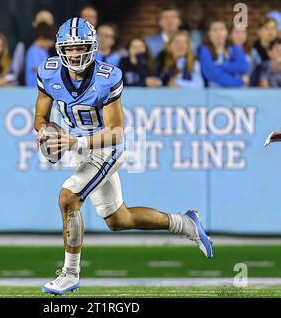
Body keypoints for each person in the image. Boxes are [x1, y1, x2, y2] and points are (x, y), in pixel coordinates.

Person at [34, 17, 214, 296]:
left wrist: (74, 141)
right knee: (119, 220)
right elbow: (40, 117)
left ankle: (70, 274)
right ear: (60, 50)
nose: (74, 54)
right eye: (68, 49)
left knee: (68, 198)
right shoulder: (49, 72)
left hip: (106, 148)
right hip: (79, 147)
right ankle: (186, 223)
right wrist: (45, 133)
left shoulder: (108, 77)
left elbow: (116, 132)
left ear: (92, 48)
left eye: (80, 47)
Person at [199, 20, 249, 87]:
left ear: (227, 32)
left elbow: (243, 67)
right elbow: (210, 73)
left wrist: (220, 66)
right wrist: (238, 81)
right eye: (214, 30)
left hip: (236, 92)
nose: (218, 33)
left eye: (221, 29)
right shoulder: (204, 50)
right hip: (213, 93)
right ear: (209, 34)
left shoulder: (234, 48)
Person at [251, 17, 279, 86]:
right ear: (259, 31)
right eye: (267, 28)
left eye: (273, 28)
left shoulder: (279, 46)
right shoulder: (255, 52)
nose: (271, 31)